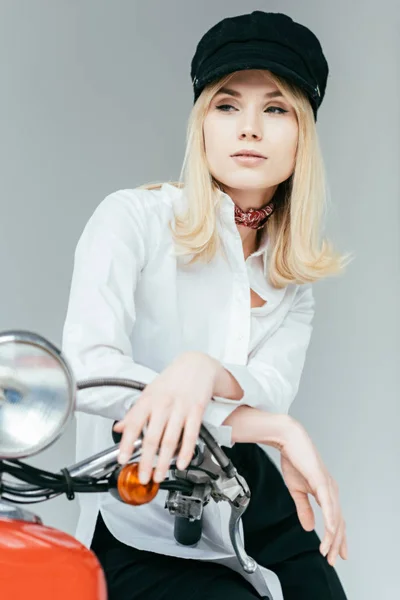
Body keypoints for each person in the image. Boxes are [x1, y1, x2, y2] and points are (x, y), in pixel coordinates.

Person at [62, 10, 350, 600]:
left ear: (303, 135)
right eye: (226, 104)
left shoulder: (291, 284)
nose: (248, 127)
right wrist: (268, 426)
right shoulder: (130, 220)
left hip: (245, 489)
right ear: (201, 125)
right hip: (137, 497)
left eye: (275, 108)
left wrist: (203, 372)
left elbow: (268, 387)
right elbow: (87, 371)